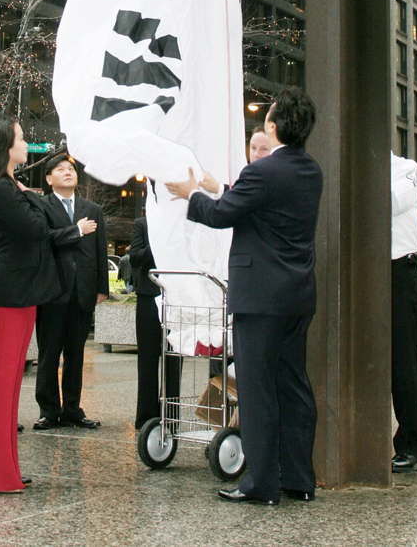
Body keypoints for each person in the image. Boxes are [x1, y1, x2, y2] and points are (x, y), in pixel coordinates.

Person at [167, 87, 323, 506]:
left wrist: (191, 195)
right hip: (297, 296)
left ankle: (260, 484)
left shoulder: (264, 171)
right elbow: (256, 203)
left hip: (259, 299)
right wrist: (221, 187)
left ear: (272, 126)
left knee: (256, 391)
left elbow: (221, 215)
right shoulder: (310, 171)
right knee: (293, 386)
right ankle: (298, 478)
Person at [0, 116, 81, 493]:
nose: (26, 143)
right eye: (21, 138)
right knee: (1, 389)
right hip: (8, 295)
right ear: (5, 145)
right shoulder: (3, 189)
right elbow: (39, 228)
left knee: (8, 390)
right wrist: (32, 198)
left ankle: (6, 470)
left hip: (19, 294)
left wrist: (28, 196)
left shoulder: (9, 187)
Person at [34, 154, 109, 430]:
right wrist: (75, 231)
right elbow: (42, 239)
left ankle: (72, 409)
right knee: (49, 354)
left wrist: (102, 288)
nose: (67, 173)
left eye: (71, 169)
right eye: (60, 169)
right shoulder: (40, 206)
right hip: (51, 290)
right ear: (48, 178)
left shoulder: (93, 208)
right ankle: (48, 410)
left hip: (83, 292)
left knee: (76, 354)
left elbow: (100, 250)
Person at [390, 151, 417, 473]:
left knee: (404, 365)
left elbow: (390, 202)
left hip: (400, 274)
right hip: (369, 271)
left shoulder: (407, 170)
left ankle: (413, 444)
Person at [130, 215, 181, 429]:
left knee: (174, 359)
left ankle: (171, 417)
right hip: (149, 297)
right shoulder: (142, 224)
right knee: (148, 359)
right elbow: (135, 258)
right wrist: (158, 241)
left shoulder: (182, 223)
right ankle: (146, 418)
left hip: (177, 297)